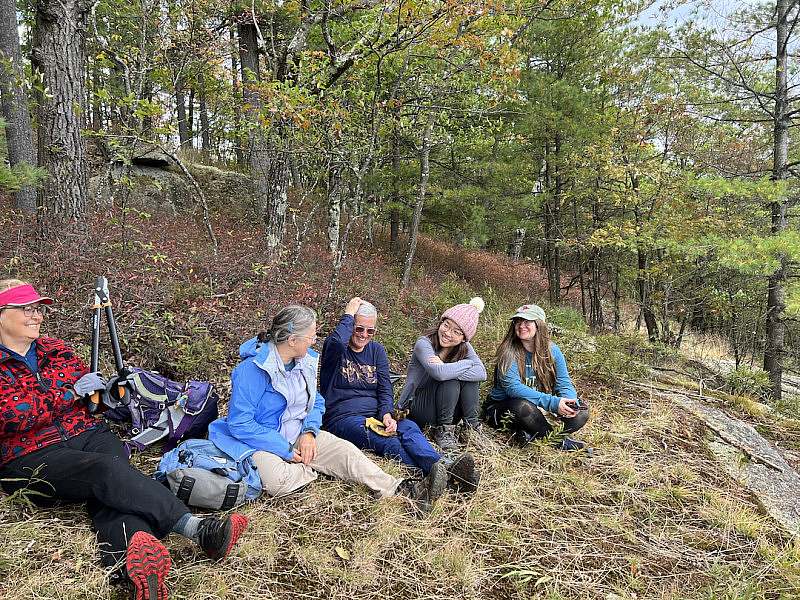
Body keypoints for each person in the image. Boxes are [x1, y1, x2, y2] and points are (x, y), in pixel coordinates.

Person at [0, 279, 247, 600]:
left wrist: (106, 395)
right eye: (26, 309)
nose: (36, 316)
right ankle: (197, 529)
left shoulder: (55, 350)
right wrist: (71, 392)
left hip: (87, 435)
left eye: (38, 309)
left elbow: (91, 402)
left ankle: (135, 568)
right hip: (28, 456)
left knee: (114, 478)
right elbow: (12, 415)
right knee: (105, 472)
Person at [208, 305, 445, 514]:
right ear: (292, 340)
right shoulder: (251, 370)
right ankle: (311, 469)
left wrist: (309, 432)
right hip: (260, 442)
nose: (314, 340)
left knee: (347, 452)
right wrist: (285, 450)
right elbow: (240, 424)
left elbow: (316, 401)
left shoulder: (305, 362)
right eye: (310, 336)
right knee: (278, 480)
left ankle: (402, 490)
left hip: (299, 434)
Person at [320, 297, 478, 492]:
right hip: (343, 417)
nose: (363, 335)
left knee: (409, 428)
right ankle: (437, 475)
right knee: (387, 439)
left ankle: (444, 468)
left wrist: (386, 413)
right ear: (350, 325)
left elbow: (385, 388)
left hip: (375, 414)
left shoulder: (377, 351)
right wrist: (348, 314)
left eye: (370, 331)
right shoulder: (336, 351)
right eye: (358, 328)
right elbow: (335, 342)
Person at [483, 304, 590, 451]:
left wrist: (569, 401)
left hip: (540, 407)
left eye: (527, 322)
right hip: (505, 408)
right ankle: (558, 442)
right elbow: (513, 388)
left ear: (539, 325)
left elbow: (563, 382)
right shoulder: (508, 351)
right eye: (518, 321)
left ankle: (531, 434)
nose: (521, 326)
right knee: (523, 407)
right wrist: (552, 403)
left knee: (582, 413)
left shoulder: (552, 350)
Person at [398, 298, 487, 452]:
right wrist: (467, 365)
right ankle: (444, 432)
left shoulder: (465, 347)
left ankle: (471, 428)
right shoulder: (424, 343)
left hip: (447, 410)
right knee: (450, 379)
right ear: (441, 322)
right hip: (419, 407)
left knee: (469, 380)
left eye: (456, 332)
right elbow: (438, 373)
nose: (447, 333)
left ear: (464, 338)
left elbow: (482, 373)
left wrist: (451, 366)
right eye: (446, 325)